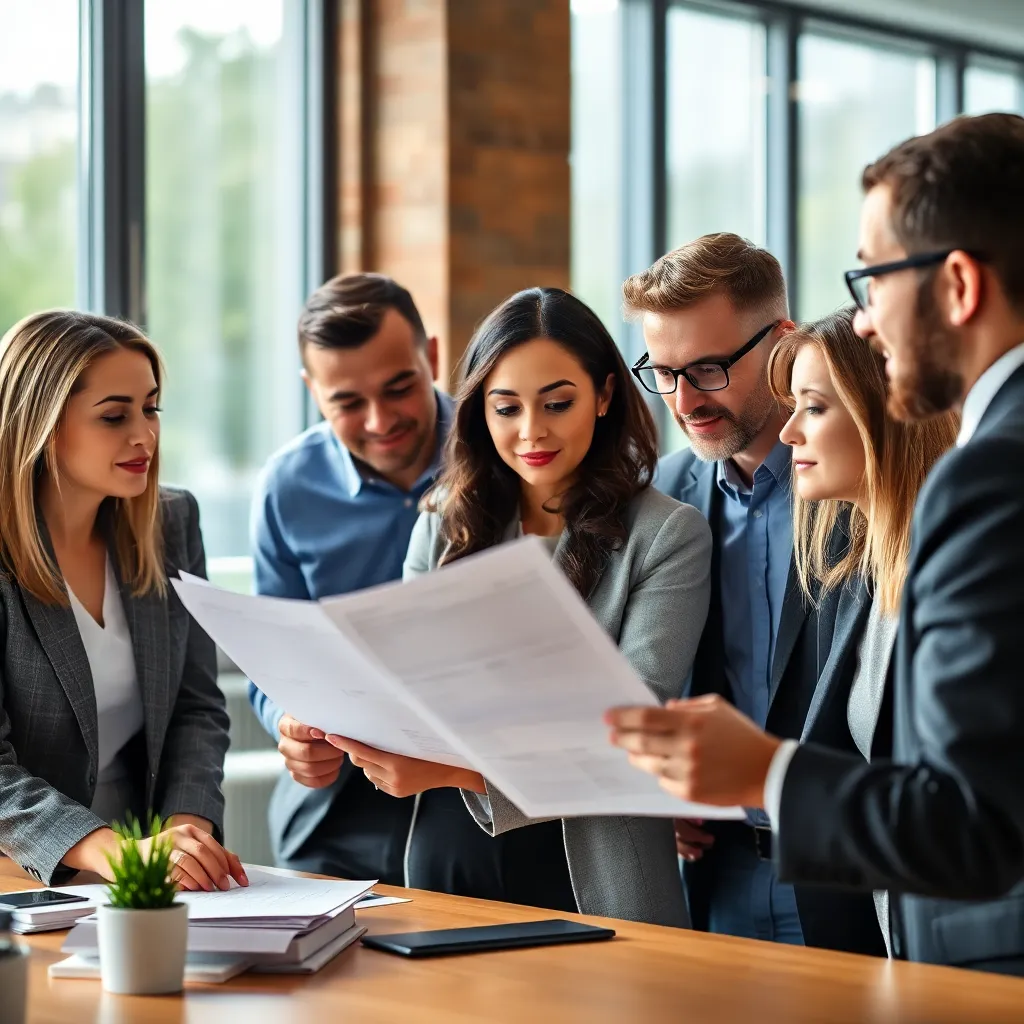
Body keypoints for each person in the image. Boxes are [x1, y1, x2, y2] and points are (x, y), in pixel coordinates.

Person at [606, 112, 1024, 975]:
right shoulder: (665, 500)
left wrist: (766, 772)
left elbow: (974, 816)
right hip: (734, 885)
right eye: (665, 375)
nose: (864, 322)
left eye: (873, 280)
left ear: (957, 285)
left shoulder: (979, 478)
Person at [323, 286, 712, 925]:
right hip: (450, 854)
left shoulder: (667, 534)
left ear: (605, 395)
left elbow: (629, 733)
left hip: (596, 870)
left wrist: (458, 768)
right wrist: (324, 719)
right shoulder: (444, 523)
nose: (531, 431)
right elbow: (401, 685)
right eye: (506, 408)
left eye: (558, 403)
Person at [248, 273, 573, 907]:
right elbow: (270, 656)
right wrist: (288, 720)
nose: (380, 421)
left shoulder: (513, 449)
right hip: (336, 809)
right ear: (312, 391)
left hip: (483, 804)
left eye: (399, 387)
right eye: (347, 402)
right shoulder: (286, 487)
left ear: (431, 355)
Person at [624, 234, 883, 953]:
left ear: (782, 343)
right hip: (713, 883)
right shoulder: (660, 499)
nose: (684, 401)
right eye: (664, 373)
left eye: (708, 369)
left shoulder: (859, 482)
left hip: (851, 880)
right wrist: (650, 790)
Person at [0, 310, 244, 892]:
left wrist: (185, 837)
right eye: (114, 416)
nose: (145, 436)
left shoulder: (171, 523)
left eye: (151, 409)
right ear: (42, 425)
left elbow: (196, 706)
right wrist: (122, 854)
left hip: (144, 864)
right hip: (22, 870)